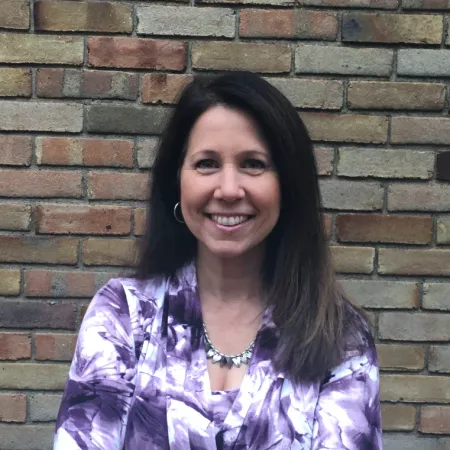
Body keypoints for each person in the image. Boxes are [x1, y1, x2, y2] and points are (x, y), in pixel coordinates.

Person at [54, 71, 382, 450]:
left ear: (287, 186)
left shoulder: (341, 337)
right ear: (177, 180)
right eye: (207, 163)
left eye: (254, 164)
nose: (228, 190)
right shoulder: (124, 317)